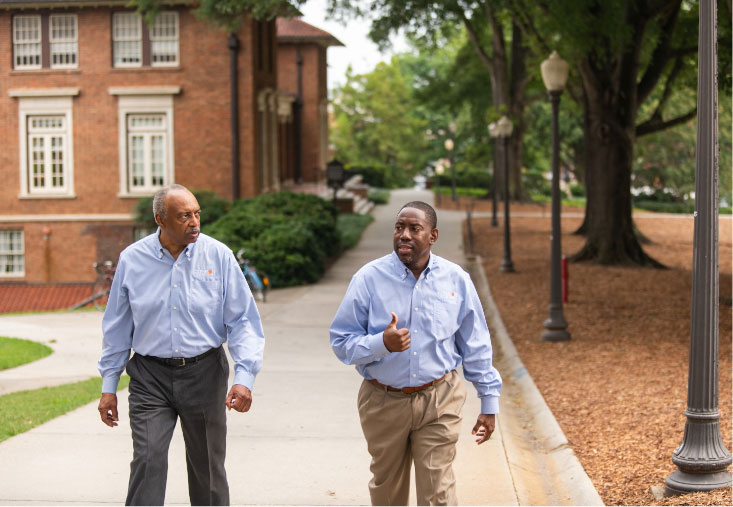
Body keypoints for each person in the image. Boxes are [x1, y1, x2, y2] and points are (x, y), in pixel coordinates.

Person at [97, 184, 265, 506]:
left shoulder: (218, 255)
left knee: (208, 470)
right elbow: (117, 327)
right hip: (149, 377)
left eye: (197, 214)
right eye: (184, 216)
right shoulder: (132, 260)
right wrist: (108, 386)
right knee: (147, 460)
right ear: (160, 219)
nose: (195, 223)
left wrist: (245, 379)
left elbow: (244, 321)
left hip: (204, 373)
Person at [330, 201, 502, 506]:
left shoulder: (456, 280)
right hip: (382, 401)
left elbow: (475, 344)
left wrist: (488, 402)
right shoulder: (368, 279)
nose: (404, 235)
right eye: (399, 228)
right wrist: (381, 343)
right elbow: (342, 343)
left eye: (414, 228)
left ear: (433, 235)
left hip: (439, 397)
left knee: (438, 491)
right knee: (387, 491)